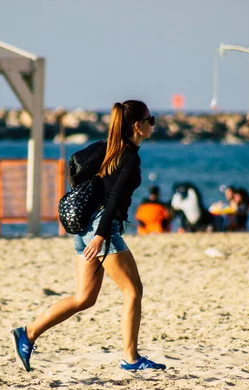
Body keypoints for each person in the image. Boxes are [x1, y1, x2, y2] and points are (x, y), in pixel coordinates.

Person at [11, 100, 166, 372]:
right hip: (101, 230)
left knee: (84, 298)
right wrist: (101, 236)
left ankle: (28, 333)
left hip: (85, 229)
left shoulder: (106, 148)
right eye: (150, 120)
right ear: (138, 126)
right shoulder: (129, 156)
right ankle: (131, 358)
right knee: (133, 291)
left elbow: (76, 167)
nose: (153, 124)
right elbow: (115, 197)